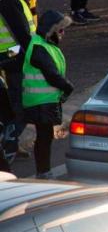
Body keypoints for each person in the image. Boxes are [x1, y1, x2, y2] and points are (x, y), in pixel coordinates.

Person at [22, 10, 73, 178]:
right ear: (51, 31)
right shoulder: (40, 48)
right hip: (41, 101)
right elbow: (52, 75)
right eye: (60, 30)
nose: (63, 33)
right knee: (44, 138)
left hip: (43, 100)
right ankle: (43, 172)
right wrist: (67, 87)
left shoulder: (43, 44)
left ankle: (43, 170)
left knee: (44, 137)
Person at [0, 0, 37, 157]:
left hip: (11, 57)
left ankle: (12, 142)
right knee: (21, 107)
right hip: (14, 59)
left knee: (16, 105)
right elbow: (22, 34)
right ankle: (9, 143)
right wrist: (28, 53)